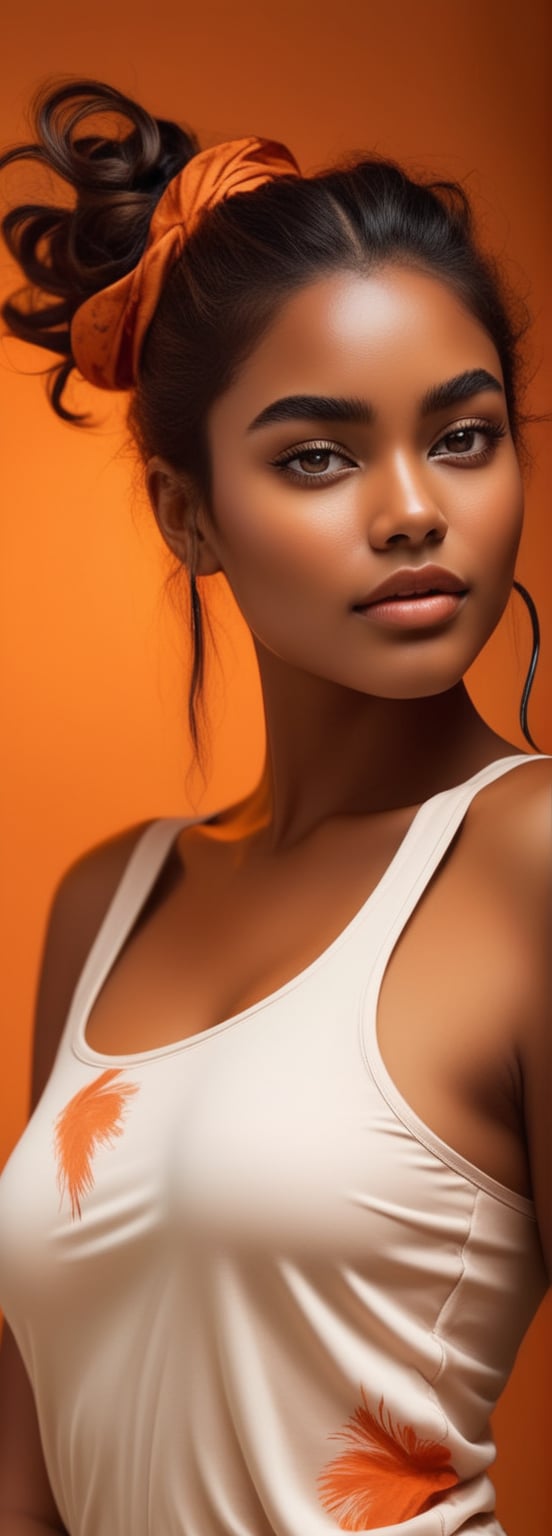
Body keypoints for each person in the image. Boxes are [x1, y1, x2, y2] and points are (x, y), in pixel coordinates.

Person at [0, 77, 549, 1536]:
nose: (411, 507)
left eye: (464, 434)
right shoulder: (108, 900)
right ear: (190, 514)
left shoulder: (531, 865)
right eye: (318, 455)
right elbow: (25, 1473)